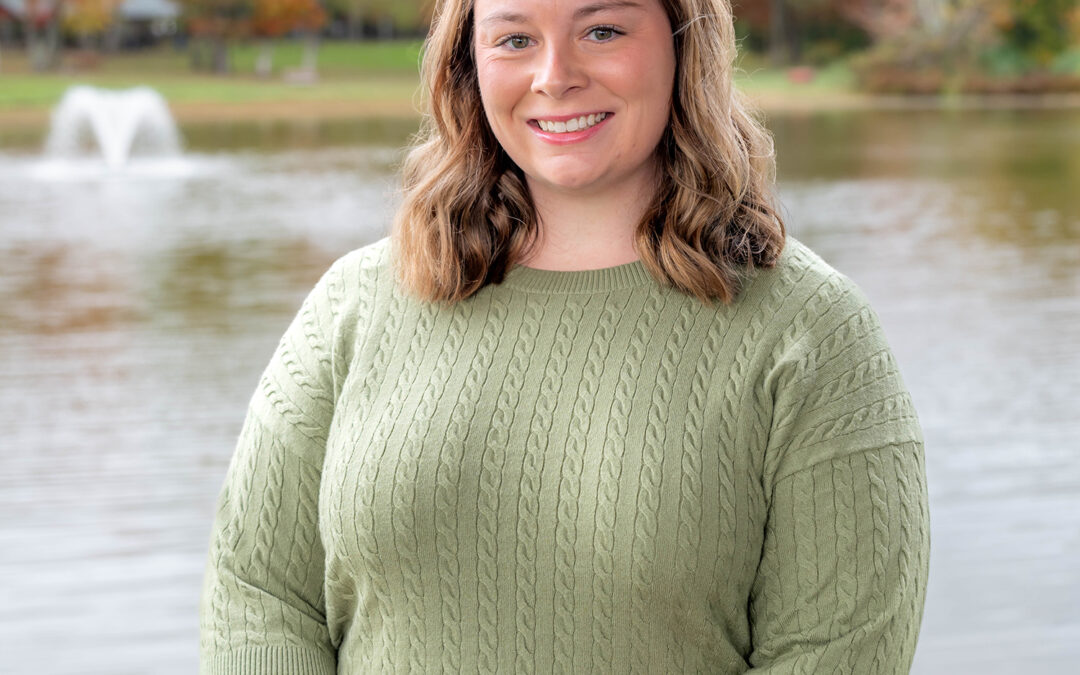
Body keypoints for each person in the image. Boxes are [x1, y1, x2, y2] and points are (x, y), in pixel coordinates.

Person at [198, 0, 930, 672]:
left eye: (602, 31)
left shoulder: (812, 334)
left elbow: (834, 651)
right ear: (468, 63)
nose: (554, 77)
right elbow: (258, 594)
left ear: (685, 45)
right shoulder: (353, 307)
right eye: (515, 39)